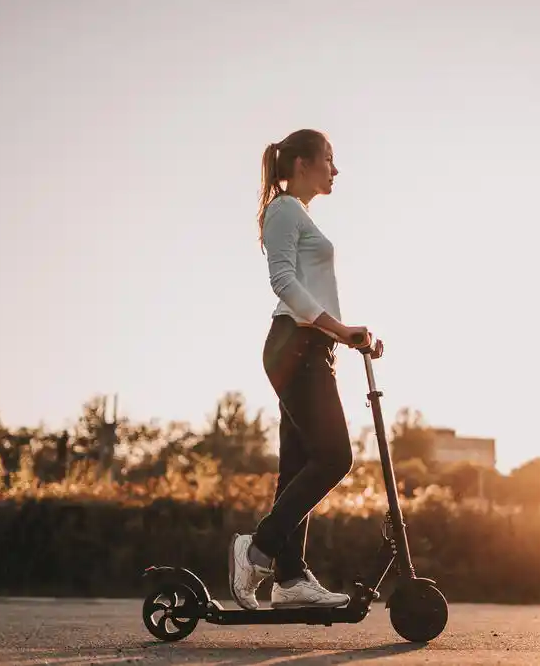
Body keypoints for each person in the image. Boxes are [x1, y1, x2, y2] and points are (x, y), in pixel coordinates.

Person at [229, 129, 384, 610]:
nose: (335, 170)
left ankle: (290, 579)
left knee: (298, 466)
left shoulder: (298, 214)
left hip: (311, 349)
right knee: (336, 458)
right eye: (329, 160)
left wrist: (347, 336)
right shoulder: (284, 209)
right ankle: (256, 549)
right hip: (296, 348)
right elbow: (283, 281)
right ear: (301, 164)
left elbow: (311, 287)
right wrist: (338, 328)